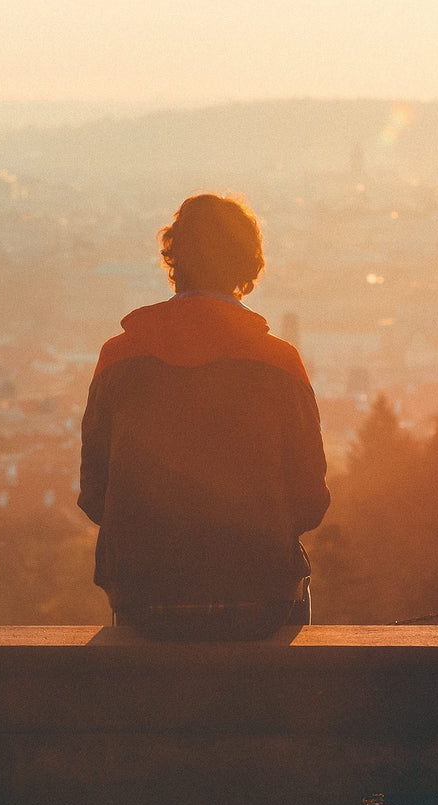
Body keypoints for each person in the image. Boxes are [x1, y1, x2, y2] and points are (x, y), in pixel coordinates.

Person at [78, 193, 329, 640]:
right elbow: (310, 500)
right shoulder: (280, 363)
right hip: (259, 600)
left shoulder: (117, 358)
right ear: (246, 266)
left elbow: (95, 494)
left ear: (174, 260)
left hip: (146, 603)